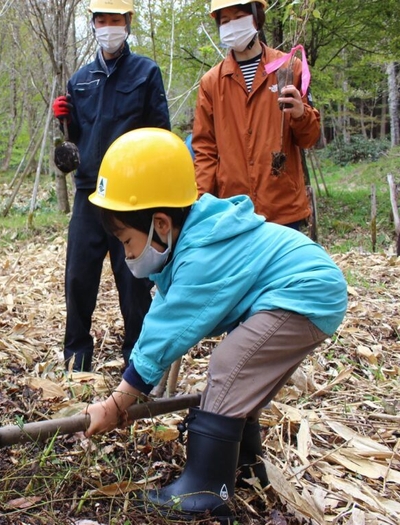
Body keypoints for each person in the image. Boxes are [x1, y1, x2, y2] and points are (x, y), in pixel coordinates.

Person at [83, 128, 347, 522]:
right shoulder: (193, 235)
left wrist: (117, 402)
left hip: (302, 293)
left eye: (125, 241)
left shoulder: (202, 255)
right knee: (243, 381)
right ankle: (243, 467)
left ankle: (205, 491)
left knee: (228, 365)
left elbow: (165, 331)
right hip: (307, 291)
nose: (126, 255)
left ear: (160, 223)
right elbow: (170, 311)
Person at [52, 0, 171, 372]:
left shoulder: (146, 73)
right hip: (89, 192)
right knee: (78, 276)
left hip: (131, 195)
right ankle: (77, 357)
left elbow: (160, 133)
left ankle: (137, 359)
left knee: (134, 280)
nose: (108, 27)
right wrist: (64, 123)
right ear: (93, 25)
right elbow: (76, 140)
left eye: (115, 20)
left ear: (128, 23)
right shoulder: (80, 79)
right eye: (101, 20)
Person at [193, 0, 320, 229]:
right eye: (225, 21)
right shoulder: (211, 83)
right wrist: (201, 205)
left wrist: (302, 114)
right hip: (233, 211)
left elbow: (309, 139)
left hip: (284, 209)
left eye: (239, 16)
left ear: (256, 17)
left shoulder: (289, 68)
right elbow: (204, 150)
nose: (232, 25)